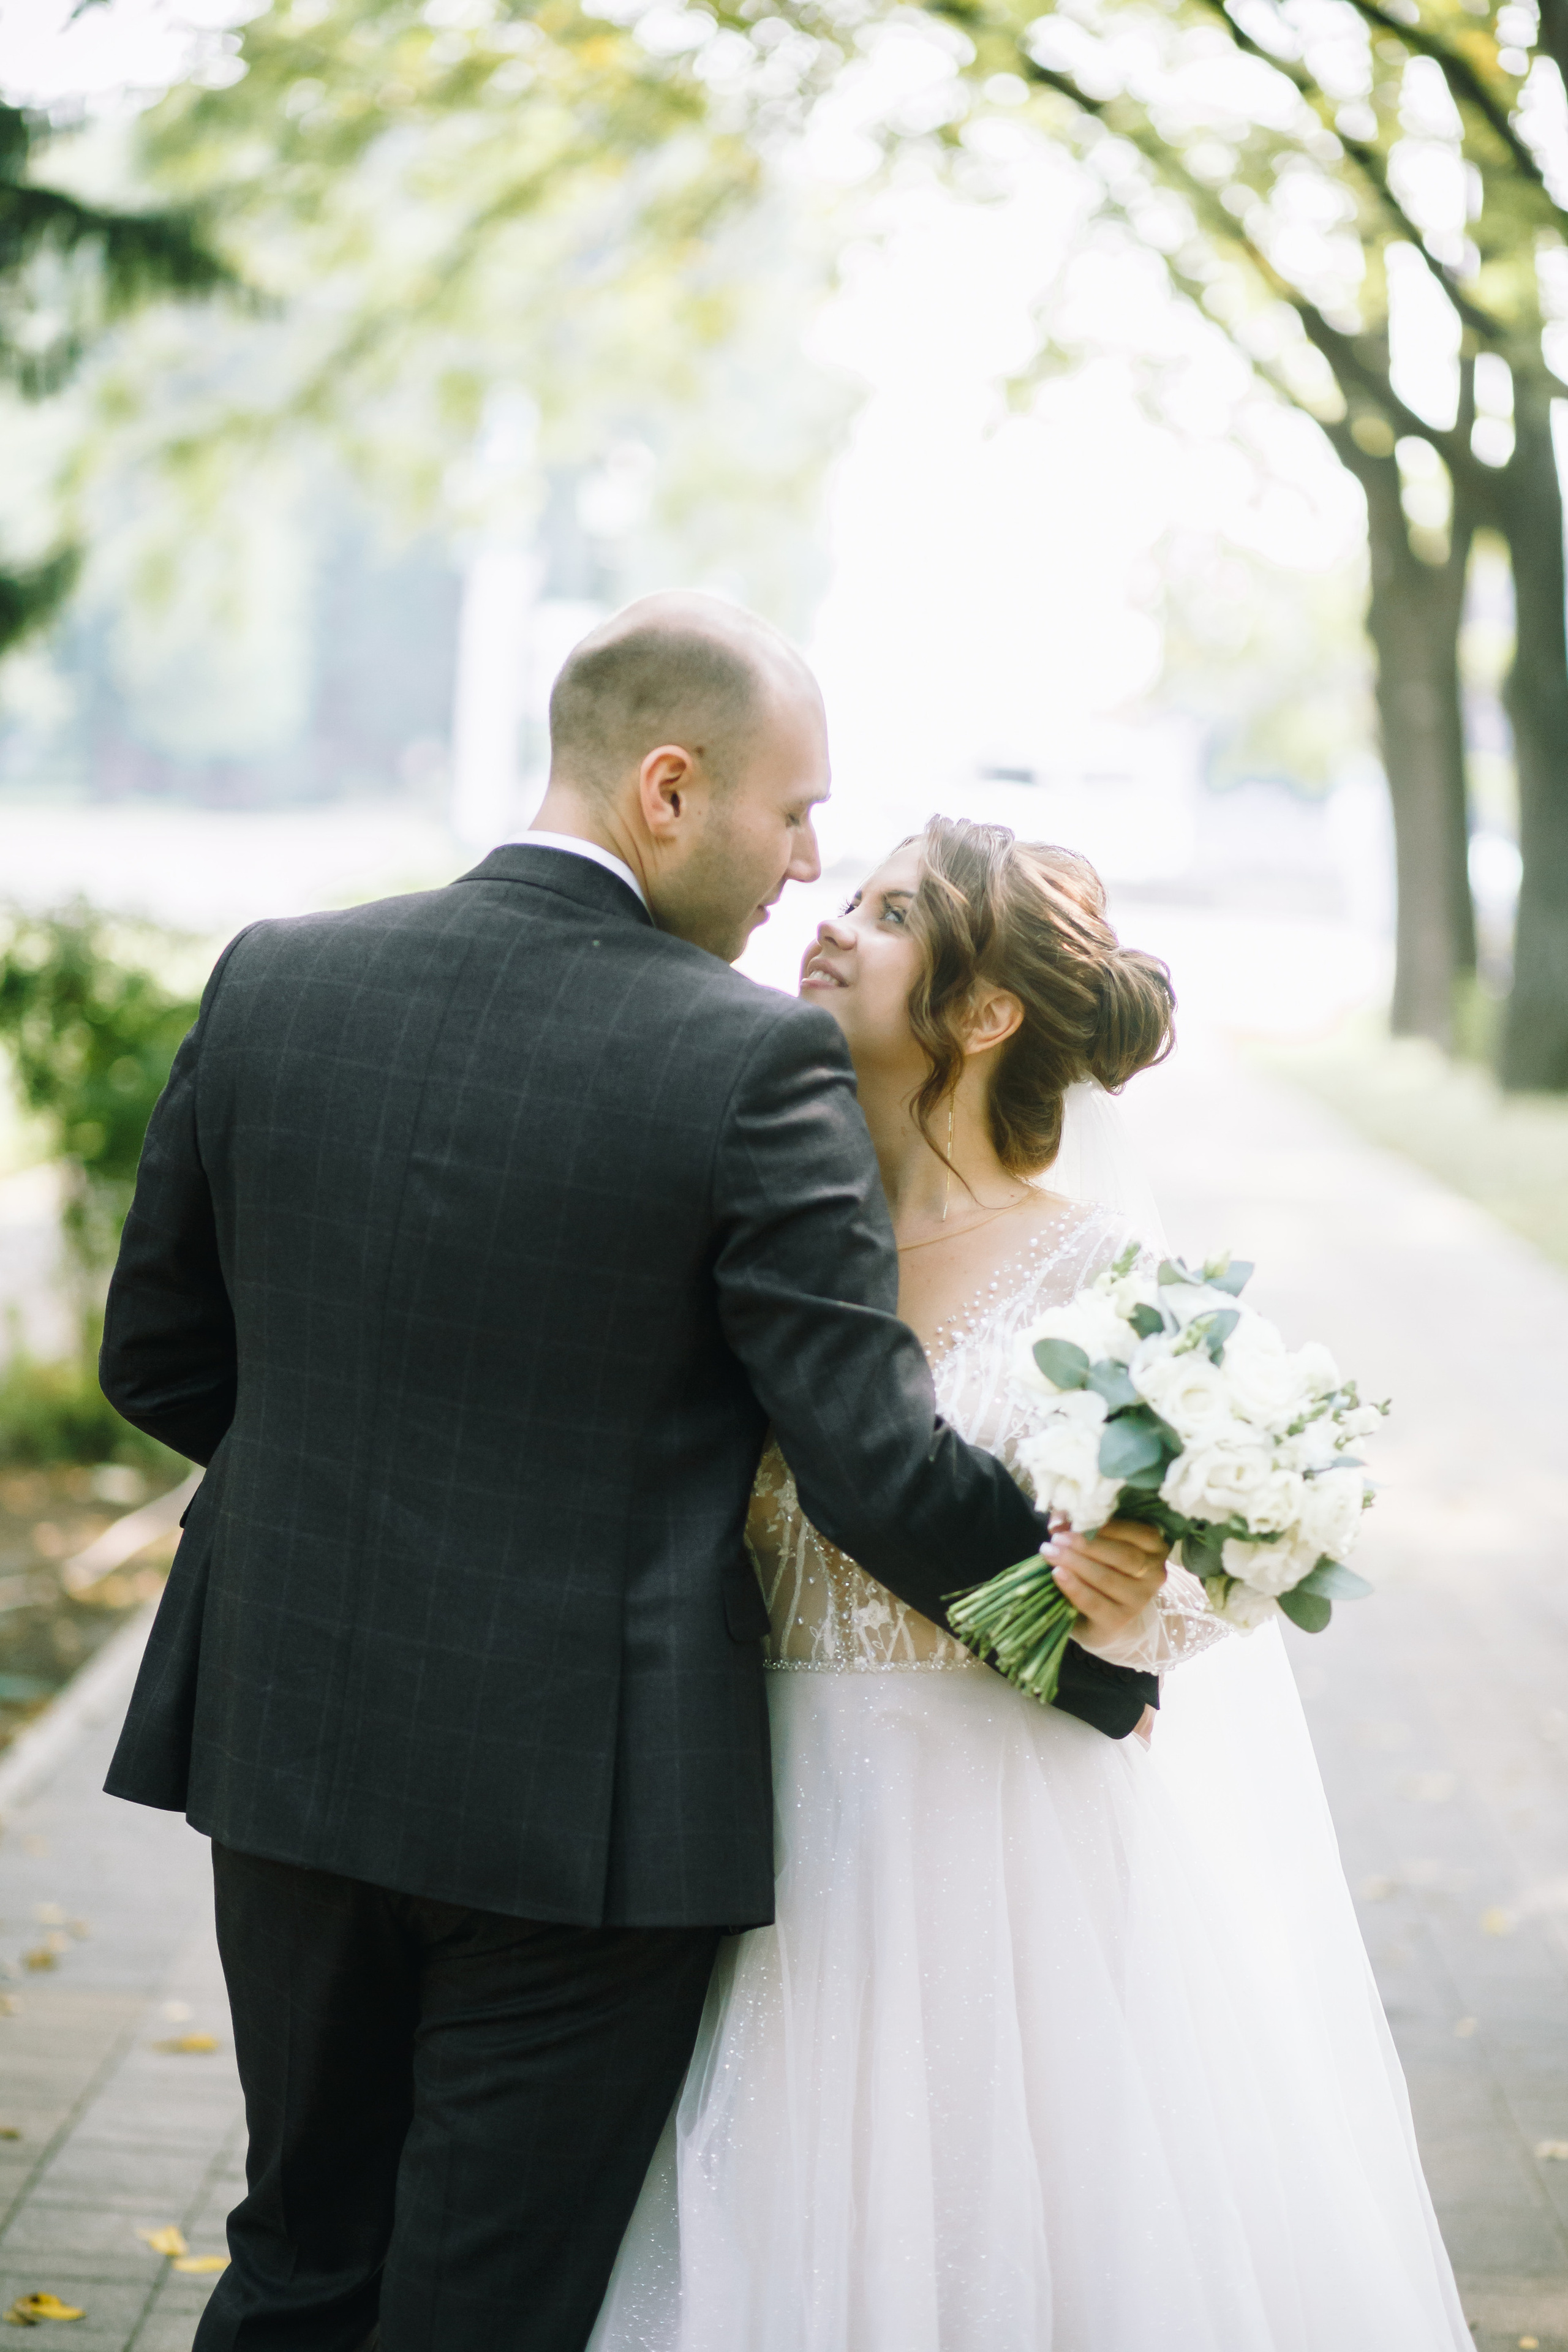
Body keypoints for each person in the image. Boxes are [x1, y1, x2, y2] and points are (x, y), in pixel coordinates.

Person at [97, 595, 1164, 2352]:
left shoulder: (277, 971)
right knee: (481, 2301)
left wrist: (346, 1491)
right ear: (669, 789)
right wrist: (1087, 1650)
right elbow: (869, 1457)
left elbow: (158, 1353)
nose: (807, 867)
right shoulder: (747, 1062)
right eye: (792, 812)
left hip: (285, 1735)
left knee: (298, 2257)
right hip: (577, 1807)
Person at [589, 818, 1472, 2352]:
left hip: (1006, 1841)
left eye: (885, 914)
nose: (829, 926)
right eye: (842, 898)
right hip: (756, 1820)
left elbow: (1223, 1559)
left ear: (985, 1013)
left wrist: (1139, 1597)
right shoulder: (765, 1237)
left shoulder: (1107, 1281)